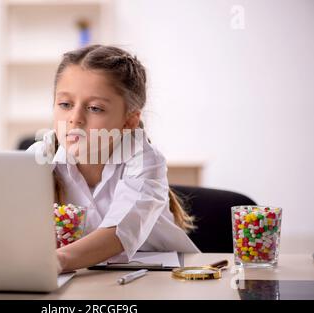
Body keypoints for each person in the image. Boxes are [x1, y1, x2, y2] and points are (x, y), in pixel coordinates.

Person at [27, 45, 200, 273]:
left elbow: (120, 231)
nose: (75, 119)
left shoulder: (145, 160)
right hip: (80, 279)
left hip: (158, 280)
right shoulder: (38, 158)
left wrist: (53, 262)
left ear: (129, 121)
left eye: (95, 108)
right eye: (65, 104)